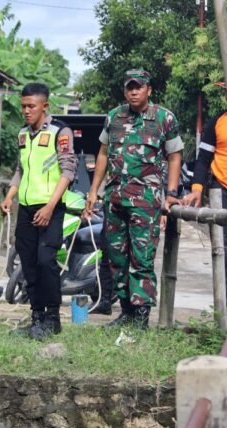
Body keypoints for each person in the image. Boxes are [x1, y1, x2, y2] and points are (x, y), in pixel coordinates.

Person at [84, 69, 183, 329]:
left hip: (146, 203)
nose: (134, 91)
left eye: (139, 87)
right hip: (115, 200)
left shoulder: (164, 118)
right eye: (130, 87)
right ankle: (126, 312)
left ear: (149, 89)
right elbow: (103, 154)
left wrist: (171, 194)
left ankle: (140, 318)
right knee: (117, 259)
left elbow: (174, 156)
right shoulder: (114, 117)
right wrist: (94, 190)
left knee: (142, 259)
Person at [0, 83, 77, 339]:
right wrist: (10, 197)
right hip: (26, 209)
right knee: (28, 264)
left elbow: (68, 171)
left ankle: (53, 318)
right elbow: (20, 170)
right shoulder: (23, 134)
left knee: (46, 262)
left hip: (51, 209)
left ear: (45, 106)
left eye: (31, 106)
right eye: (23, 106)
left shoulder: (60, 131)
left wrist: (50, 206)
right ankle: (36, 318)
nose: (26, 111)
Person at [182, 84, 227, 272]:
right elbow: (203, 160)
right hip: (222, 191)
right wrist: (197, 189)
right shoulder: (218, 121)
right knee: (223, 249)